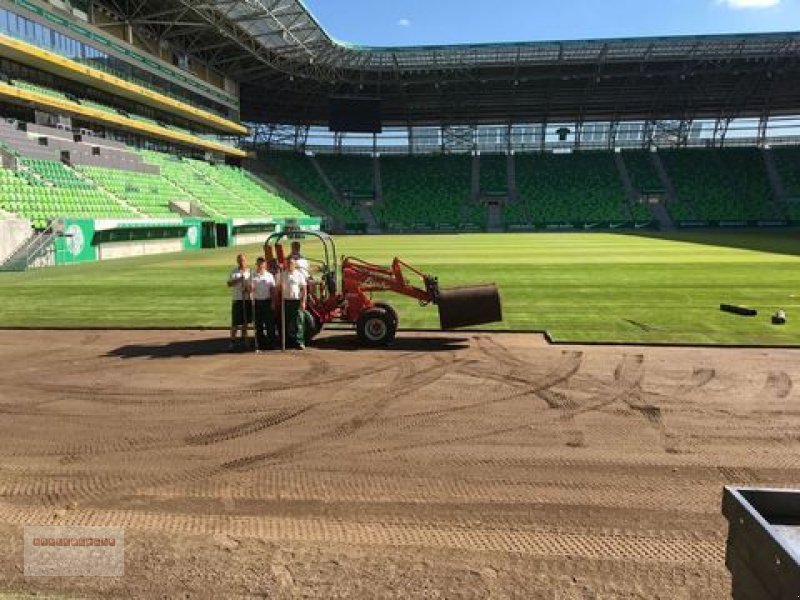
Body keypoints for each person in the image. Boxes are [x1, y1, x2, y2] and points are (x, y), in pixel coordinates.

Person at [280, 255, 308, 350]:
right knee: (287, 322)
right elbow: (278, 288)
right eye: (288, 263)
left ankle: (299, 342)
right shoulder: (283, 274)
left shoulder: (299, 275)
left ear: (295, 264)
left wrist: (303, 301)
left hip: (296, 301)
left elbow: (304, 289)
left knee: (298, 322)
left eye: (291, 263)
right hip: (286, 301)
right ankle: (289, 342)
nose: (289, 265)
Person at [227, 253, 253, 350]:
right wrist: (238, 280)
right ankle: (232, 341)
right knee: (235, 322)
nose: (241, 262)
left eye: (243, 260)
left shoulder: (250, 272)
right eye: (239, 260)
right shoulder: (234, 271)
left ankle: (244, 340)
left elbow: (252, 286)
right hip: (237, 299)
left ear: (246, 261)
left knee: (245, 322)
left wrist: (247, 289)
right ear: (237, 261)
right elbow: (229, 284)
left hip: (247, 299)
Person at [252, 257, 277, 349]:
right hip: (257, 302)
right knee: (258, 325)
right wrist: (250, 287)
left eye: (262, 263)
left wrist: (273, 302)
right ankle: (260, 343)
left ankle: (271, 343)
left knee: (269, 324)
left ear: (265, 265)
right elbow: (250, 290)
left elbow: (273, 290)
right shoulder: (253, 275)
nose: (260, 265)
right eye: (258, 263)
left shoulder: (269, 276)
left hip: (267, 301)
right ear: (256, 264)